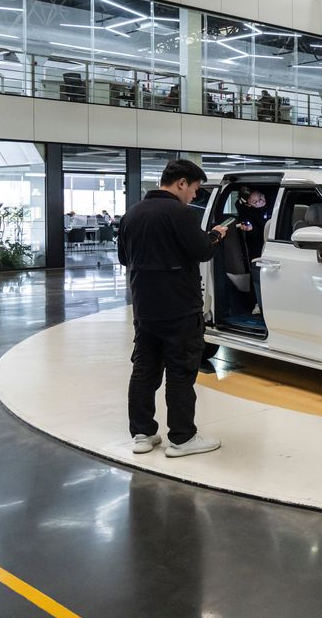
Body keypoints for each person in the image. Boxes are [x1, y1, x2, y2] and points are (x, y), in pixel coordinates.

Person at [118, 159, 230, 458]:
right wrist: (215, 236)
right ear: (181, 183)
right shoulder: (180, 213)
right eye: (194, 189)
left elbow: (123, 258)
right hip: (180, 307)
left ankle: (142, 434)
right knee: (180, 372)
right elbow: (202, 251)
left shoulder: (132, 213)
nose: (194, 196)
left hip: (144, 307)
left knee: (144, 370)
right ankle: (183, 437)